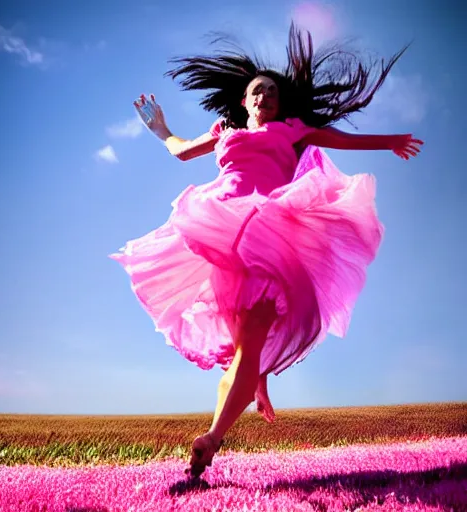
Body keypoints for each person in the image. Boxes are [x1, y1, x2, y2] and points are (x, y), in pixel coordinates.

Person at [109, 24, 422, 478]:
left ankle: (212, 438)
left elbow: (340, 139)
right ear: (245, 100)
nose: (265, 97)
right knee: (242, 346)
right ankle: (255, 382)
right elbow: (180, 152)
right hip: (222, 232)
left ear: (280, 103)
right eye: (259, 91)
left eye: (273, 92)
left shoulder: (292, 130)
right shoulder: (226, 131)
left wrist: (388, 141)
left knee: (251, 338)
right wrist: (162, 130)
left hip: (271, 235)